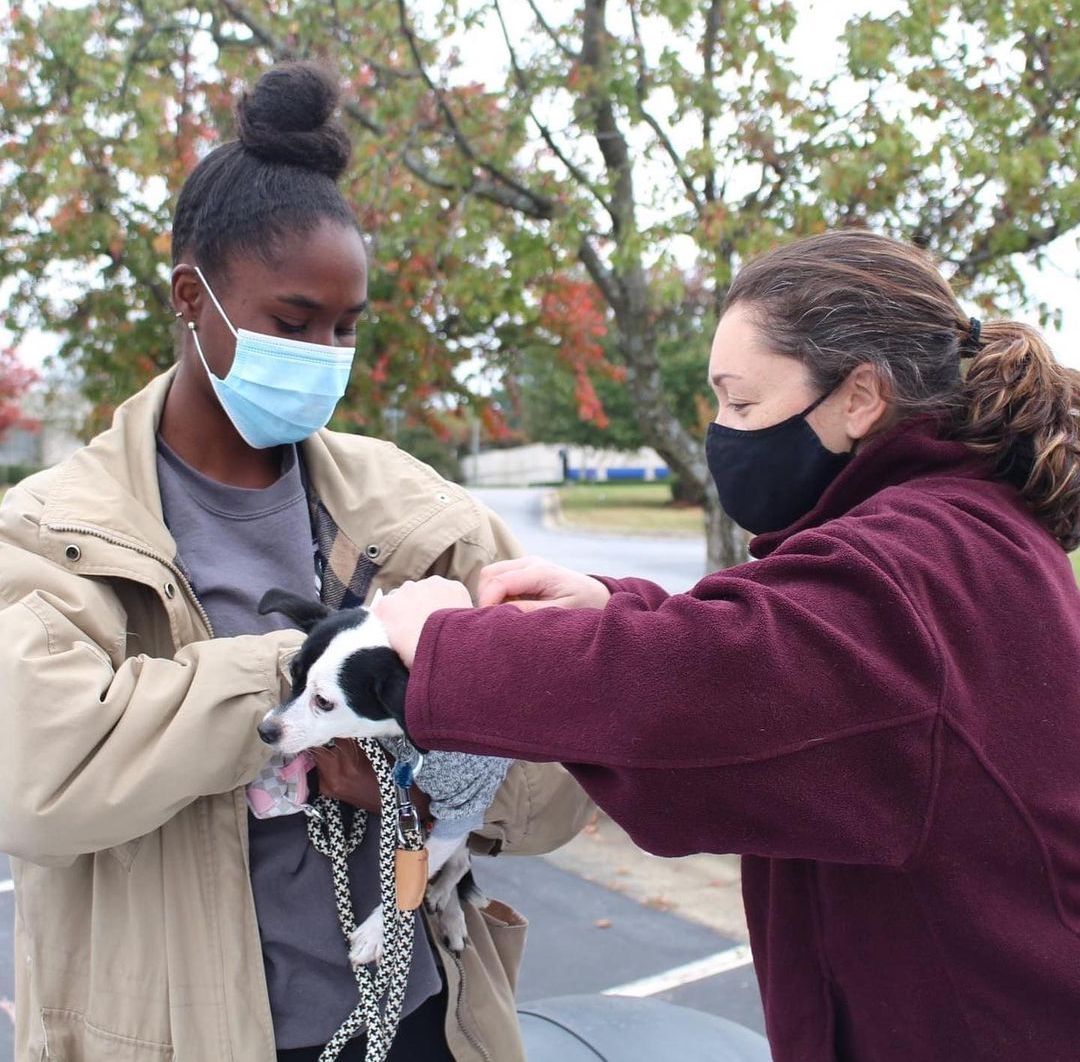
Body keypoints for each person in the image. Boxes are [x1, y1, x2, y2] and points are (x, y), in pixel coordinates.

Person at [0, 62, 590, 1062]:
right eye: (291, 320)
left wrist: (416, 776)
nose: (324, 350)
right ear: (193, 297)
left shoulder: (420, 512)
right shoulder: (53, 531)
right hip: (177, 1035)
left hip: (419, 1023)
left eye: (345, 326)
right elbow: (36, 778)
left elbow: (561, 777)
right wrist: (324, 672)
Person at [371, 230, 1080, 1062]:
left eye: (741, 404)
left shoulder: (914, 569)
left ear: (861, 396)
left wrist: (440, 642)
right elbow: (788, 659)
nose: (722, 431)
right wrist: (612, 604)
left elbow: (692, 693)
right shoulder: (955, 528)